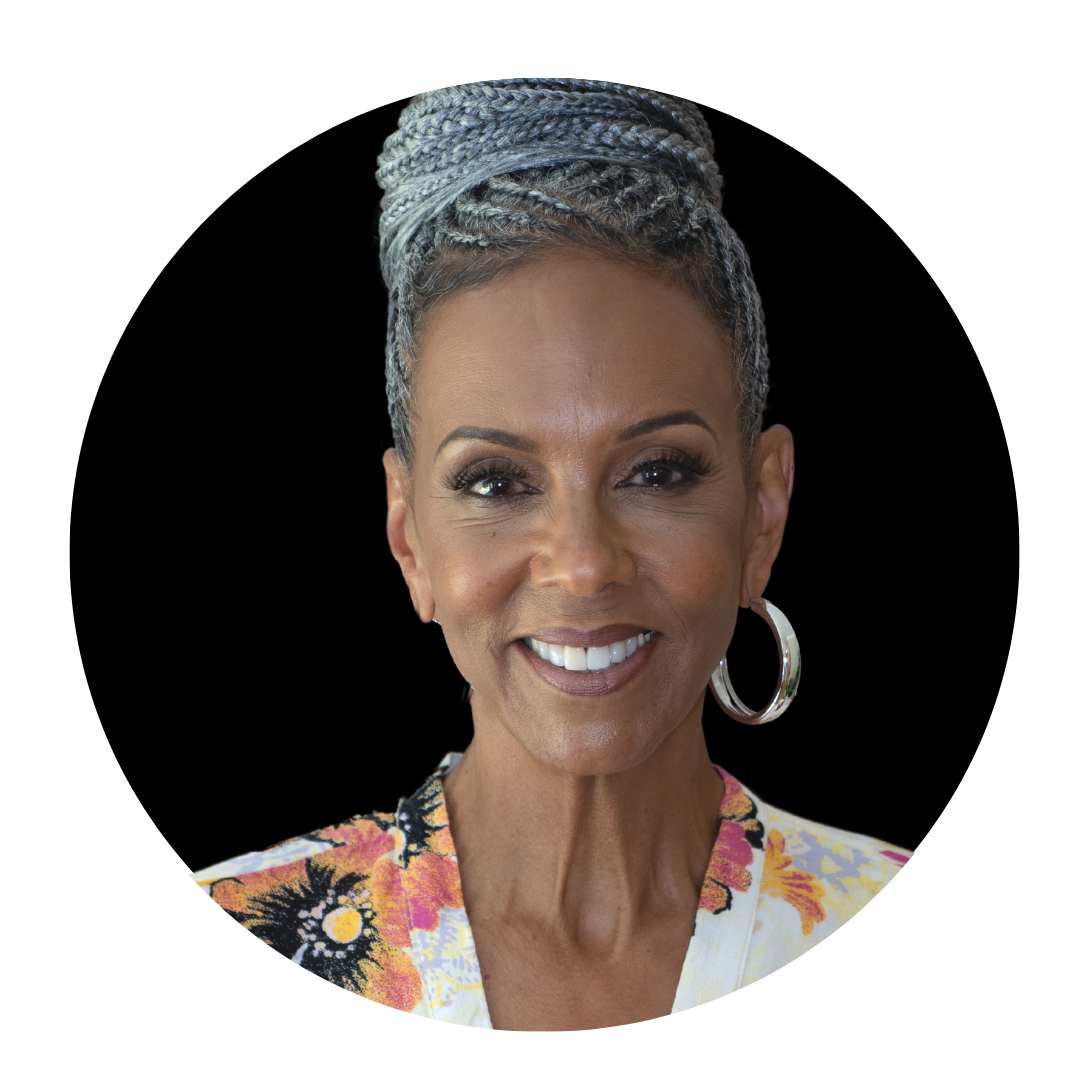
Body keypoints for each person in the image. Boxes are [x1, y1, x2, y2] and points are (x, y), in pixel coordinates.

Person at [192, 79, 910, 1030]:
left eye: (656, 472)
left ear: (763, 514)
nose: (581, 564)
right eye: (495, 481)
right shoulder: (217, 957)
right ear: (411, 537)